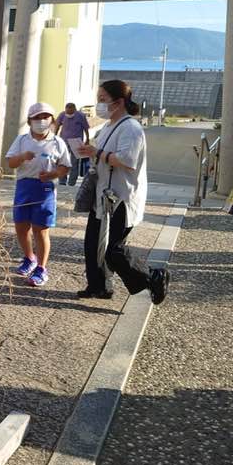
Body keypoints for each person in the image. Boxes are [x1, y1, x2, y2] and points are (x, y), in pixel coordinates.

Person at [76, 80, 170, 303]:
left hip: (121, 198)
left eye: (102, 100)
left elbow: (127, 160)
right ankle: (98, 286)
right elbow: (103, 155)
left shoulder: (131, 128)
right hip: (103, 195)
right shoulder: (108, 126)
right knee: (93, 244)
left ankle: (153, 276)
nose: (99, 105)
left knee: (114, 250)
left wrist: (97, 153)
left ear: (118, 102)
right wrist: (90, 152)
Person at [5, 102, 71, 287]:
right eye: (37, 118)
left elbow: (65, 167)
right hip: (24, 186)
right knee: (21, 226)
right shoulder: (22, 140)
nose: (41, 121)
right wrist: (22, 157)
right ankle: (29, 258)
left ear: (51, 120)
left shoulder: (57, 142)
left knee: (41, 229)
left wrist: (53, 174)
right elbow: (10, 163)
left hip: (45, 188)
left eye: (45, 117)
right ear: (29, 121)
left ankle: (42, 268)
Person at [56, 102, 91, 186]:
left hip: (76, 141)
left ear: (75, 110)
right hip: (64, 141)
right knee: (62, 160)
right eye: (67, 112)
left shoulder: (81, 116)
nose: (69, 114)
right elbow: (57, 125)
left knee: (74, 163)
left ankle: (72, 182)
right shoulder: (62, 115)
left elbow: (86, 128)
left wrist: (87, 139)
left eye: (71, 112)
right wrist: (54, 137)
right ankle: (62, 180)